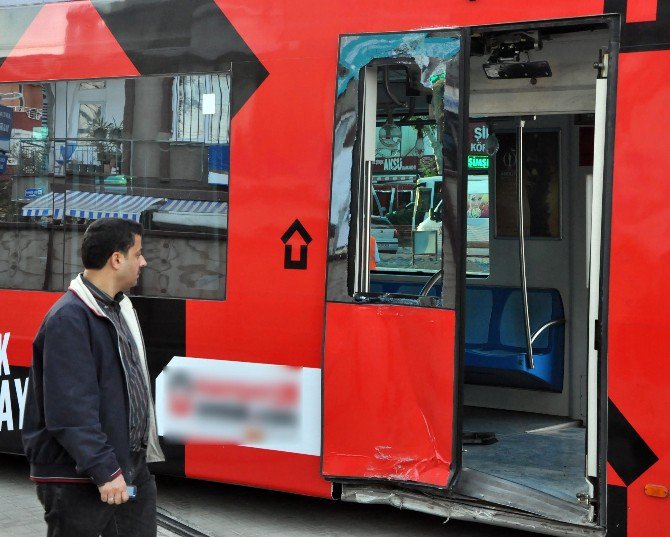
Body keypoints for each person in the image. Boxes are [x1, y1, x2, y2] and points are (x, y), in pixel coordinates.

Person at [22, 217, 165, 537]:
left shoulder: (115, 309)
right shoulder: (70, 318)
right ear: (117, 259)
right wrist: (105, 471)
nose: (144, 261)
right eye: (138, 253)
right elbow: (70, 412)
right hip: (85, 477)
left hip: (128, 466)